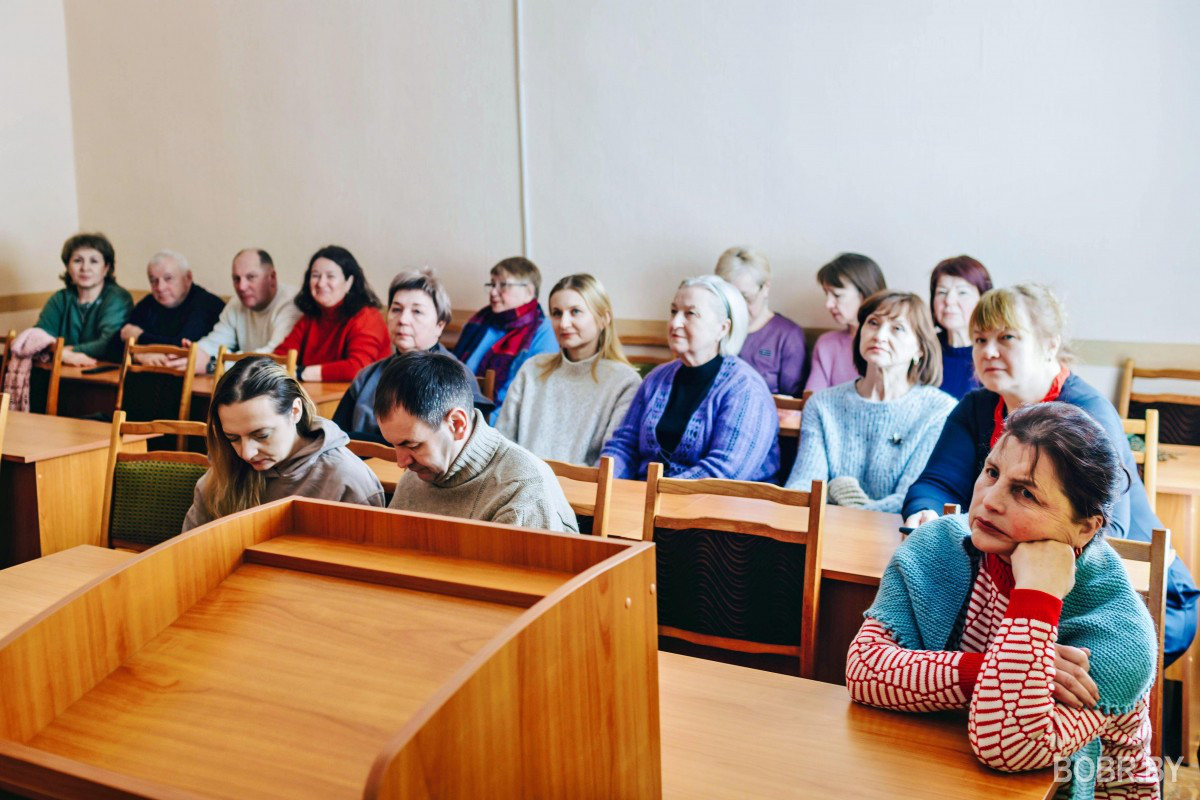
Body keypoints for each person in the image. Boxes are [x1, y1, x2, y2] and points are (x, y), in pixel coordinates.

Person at [848, 403, 1159, 799]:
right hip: (945, 778)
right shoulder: (934, 546)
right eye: (992, 472)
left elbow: (1006, 745)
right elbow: (864, 671)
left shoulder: (1120, 631)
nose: (990, 500)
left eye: (1024, 492)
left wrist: (1037, 596)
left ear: (1085, 527)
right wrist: (990, 668)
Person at [903, 284, 1198, 663]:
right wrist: (924, 513)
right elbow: (935, 484)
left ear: (1049, 345)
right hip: (1017, 584)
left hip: (1138, 596)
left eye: (1006, 337)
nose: (989, 351)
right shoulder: (977, 406)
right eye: (979, 339)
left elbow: (1107, 535)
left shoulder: (1087, 414)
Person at [786, 291, 955, 512]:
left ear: (920, 348)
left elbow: (912, 500)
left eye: (897, 328)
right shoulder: (822, 404)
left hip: (896, 539)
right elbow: (803, 487)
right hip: (823, 533)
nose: (880, 335)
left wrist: (847, 502)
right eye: (873, 323)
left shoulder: (940, 411)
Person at [374, 350, 578, 532]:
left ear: (456, 424)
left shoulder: (522, 490)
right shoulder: (417, 475)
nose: (401, 462)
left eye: (412, 445)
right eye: (394, 445)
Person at [601, 276, 779, 482]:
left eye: (690, 314)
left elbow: (723, 473)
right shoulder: (656, 378)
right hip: (646, 501)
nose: (675, 322)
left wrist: (653, 495)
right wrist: (604, 486)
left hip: (721, 507)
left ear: (723, 328)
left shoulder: (745, 388)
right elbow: (623, 446)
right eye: (674, 311)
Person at [182, 356, 385, 531]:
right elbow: (190, 555)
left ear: (295, 411)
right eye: (233, 438)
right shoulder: (223, 471)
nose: (246, 453)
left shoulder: (348, 480)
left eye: (261, 435)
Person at [496, 274, 641, 466]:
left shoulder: (625, 381)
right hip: (520, 487)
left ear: (603, 318)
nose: (563, 323)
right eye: (557, 313)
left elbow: (612, 461)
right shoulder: (532, 369)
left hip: (583, 493)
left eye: (575, 312)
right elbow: (502, 442)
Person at [332, 268, 490, 443]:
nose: (403, 320)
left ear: (439, 325)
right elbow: (335, 436)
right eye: (396, 309)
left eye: (417, 311)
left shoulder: (457, 376)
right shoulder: (367, 375)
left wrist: (359, 440)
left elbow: (460, 447)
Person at [452, 256, 557, 420]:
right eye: (492, 284)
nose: (493, 292)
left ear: (528, 292)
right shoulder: (479, 322)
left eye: (503, 285)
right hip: (457, 410)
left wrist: (482, 427)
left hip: (500, 421)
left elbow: (532, 395)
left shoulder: (542, 330)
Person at [274, 245, 390, 382]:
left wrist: (300, 372)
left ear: (349, 282)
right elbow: (280, 357)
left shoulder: (368, 316)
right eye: (315, 276)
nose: (321, 283)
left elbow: (358, 368)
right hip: (317, 396)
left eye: (330, 276)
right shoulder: (310, 318)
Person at [713, 246, 806, 395]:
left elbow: (791, 401)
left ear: (766, 288)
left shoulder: (788, 335)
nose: (737, 307)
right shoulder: (714, 330)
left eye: (745, 297)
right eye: (730, 298)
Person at [193, 248, 302, 374]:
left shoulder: (292, 303)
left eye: (251, 277)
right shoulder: (236, 302)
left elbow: (276, 358)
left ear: (272, 277)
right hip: (247, 384)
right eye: (236, 279)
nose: (242, 287)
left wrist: (214, 364)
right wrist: (192, 354)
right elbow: (215, 342)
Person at [34, 232, 133, 366]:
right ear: (68, 267)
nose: (85, 268)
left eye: (94, 261)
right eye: (77, 261)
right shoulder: (60, 298)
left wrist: (66, 352)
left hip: (103, 373)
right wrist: (62, 354)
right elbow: (39, 337)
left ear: (106, 268)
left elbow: (108, 343)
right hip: (61, 371)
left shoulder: (118, 298)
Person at [116, 250, 224, 364]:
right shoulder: (149, 302)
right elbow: (113, 345)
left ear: (188, 277)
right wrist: (137, 355)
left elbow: (181, 348)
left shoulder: (206, 303)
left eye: (168, 279)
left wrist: (139, 337)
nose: (160, 287)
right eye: (153, 281)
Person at [804, 253, 887, 393]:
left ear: (865, 294)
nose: (828, 304)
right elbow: (811, 401)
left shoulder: (889, 344)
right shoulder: (826, 344)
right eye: (827, 294)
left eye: (837, 295)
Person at [929, 255, 993, 399]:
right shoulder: (924, 349)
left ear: (983, 299)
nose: (949, 301)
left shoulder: (992, 352)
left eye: (962, 292)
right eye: (942, 292)